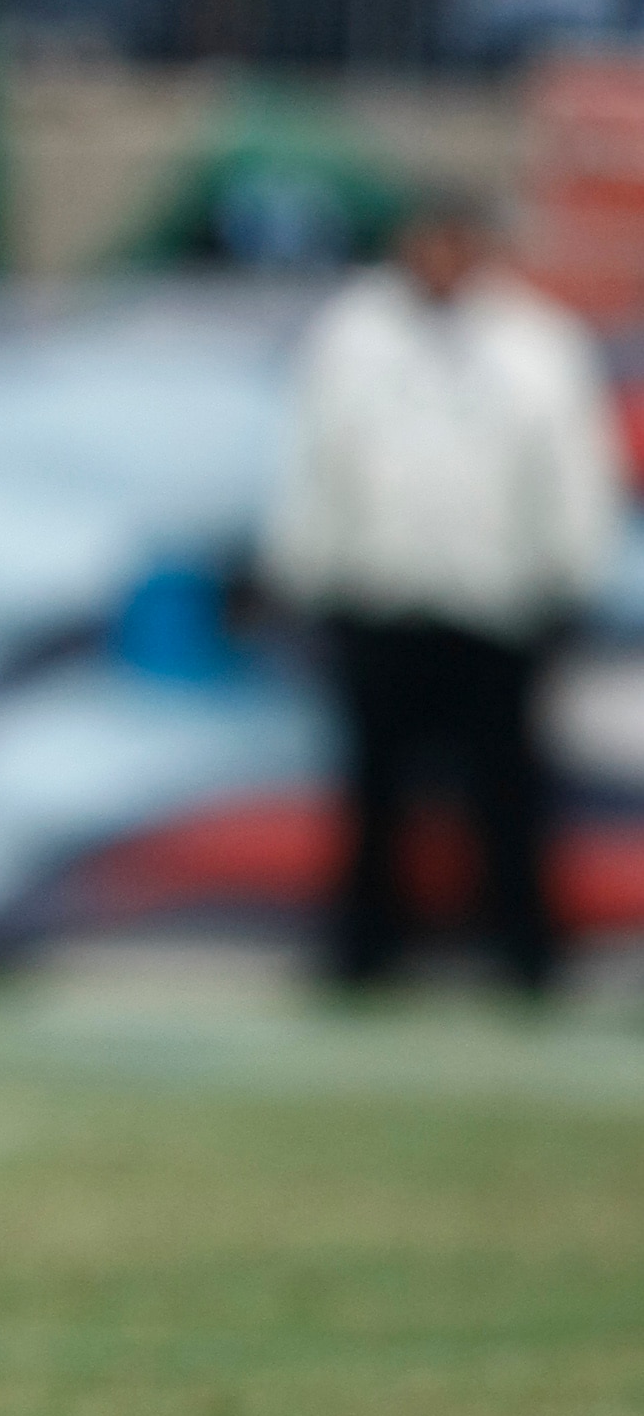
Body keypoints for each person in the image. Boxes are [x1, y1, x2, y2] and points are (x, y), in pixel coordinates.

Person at [262, 190, 625, 997]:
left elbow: (571, 467)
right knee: (375, 789)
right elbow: (314, 462)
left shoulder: (538, 342)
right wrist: (310, 566)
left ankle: (524, 954)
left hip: (500, 600)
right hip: (381, 593)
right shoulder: (348, 338)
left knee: (507, 789)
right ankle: (365, 952)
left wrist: (569, 568)